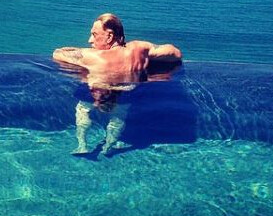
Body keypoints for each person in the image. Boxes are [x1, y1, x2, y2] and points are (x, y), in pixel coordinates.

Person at [53, 13, 182, 156]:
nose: (90, 40)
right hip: (126, 90)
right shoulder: (139, 49)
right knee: (118, 117)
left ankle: (82, 145)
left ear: (109, 36)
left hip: (97, 90)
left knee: (82, 109)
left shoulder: (92, 56)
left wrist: (89, 51)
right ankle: (108, 147)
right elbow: (175, 53)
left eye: (94, 35)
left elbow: (58, 53)